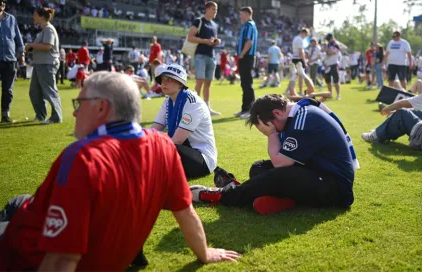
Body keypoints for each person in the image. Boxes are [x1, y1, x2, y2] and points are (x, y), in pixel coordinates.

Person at [0, 72, 241, 271]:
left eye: (80, 103)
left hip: (21, 256)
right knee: (21, 202)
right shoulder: (164, 148)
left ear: (102, 108)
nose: (75, 112)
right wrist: (204, 253)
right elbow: (186, 213)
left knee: (18, 206)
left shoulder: (82, 158)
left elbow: (62, 260)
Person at [191, 94, 356, 215]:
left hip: (335, 188)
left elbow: (280, 163)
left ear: (277, 113)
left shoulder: (304, 119)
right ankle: (287, 201)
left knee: (280, 174)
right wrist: (273, 133)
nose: (275, 132)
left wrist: (272, 135)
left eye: (272, 127)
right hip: (316, 173)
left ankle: (223, 195)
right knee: (258, 168)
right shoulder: (297, 115)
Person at [152, 63, 217, 179]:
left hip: (203, 159)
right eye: (162, 79)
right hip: (183, 151)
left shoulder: (193, 103)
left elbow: (177, 140)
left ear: (180, 84)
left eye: (169, 79)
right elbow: (153, 131)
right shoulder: (167, 101)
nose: (164, 82)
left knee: (166, 148)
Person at [361, 70, 422, 152]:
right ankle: (381, 131)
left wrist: (387, 108)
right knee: (414, 112)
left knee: (402, 113)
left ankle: (375, 136)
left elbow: (402, 103)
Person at [26, 7, 63, 124]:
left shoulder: (48, 29)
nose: (33, 17)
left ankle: (56, 117)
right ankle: (41, 115)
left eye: (35, 15)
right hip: (40, 64)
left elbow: (48, 46)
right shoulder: (44, 30)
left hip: (47, 65)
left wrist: (31, 45)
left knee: (49, 91)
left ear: (42, 17)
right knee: (34, 91)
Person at [187, 1, 221, 116]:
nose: (215, 11)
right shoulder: (199, 21)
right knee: (199, 81)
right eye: (213, 9)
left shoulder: (215, 25)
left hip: (211, 55)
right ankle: (193, 107)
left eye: (216, 10)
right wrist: (205, 41)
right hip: (200, 55)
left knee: (208, 83)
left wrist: (216, 42)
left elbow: (212, 39)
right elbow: (190, 37)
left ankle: (207, 107)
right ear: (207, 9)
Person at [0, 0, 25, 123]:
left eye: (1, 3)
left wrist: (21, 53)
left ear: (4, 5)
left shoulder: (11, 19)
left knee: (8, 89)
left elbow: (18, 37)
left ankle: (5, 114)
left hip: (10, 59)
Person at [234, 6, 258, 120]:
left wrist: (242, 54)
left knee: (247, 83)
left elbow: (249, 41)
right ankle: (245, 108)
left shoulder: (249, 25)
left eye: (242, 14)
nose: (240, 16)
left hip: (247, 57)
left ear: (248, 14)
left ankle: (250, 110)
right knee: (244, 83)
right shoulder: (247, 25)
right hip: (246, 56)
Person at [291, 28, 313, 95]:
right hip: (298, 58)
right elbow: (301, 52)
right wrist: (305, 62)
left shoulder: (296, 38)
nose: (305, 37)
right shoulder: (299, 39)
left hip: (294, 57)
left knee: (295, 76)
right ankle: (300, 91)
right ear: (304, 33)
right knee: (301, 76)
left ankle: (291, 90)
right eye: (306, 35)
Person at [321, 33, 341, 100]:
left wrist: (326, 50)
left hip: (334, 64)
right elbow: (322, 50)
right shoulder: (328, 45)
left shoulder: (336, 44)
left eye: (328, 39)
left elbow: (331, 52)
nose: (327, 40)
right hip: (327, 65)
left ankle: (338, 95)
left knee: (336, 80)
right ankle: (330, 94)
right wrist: (327, 50)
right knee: (328, 81)